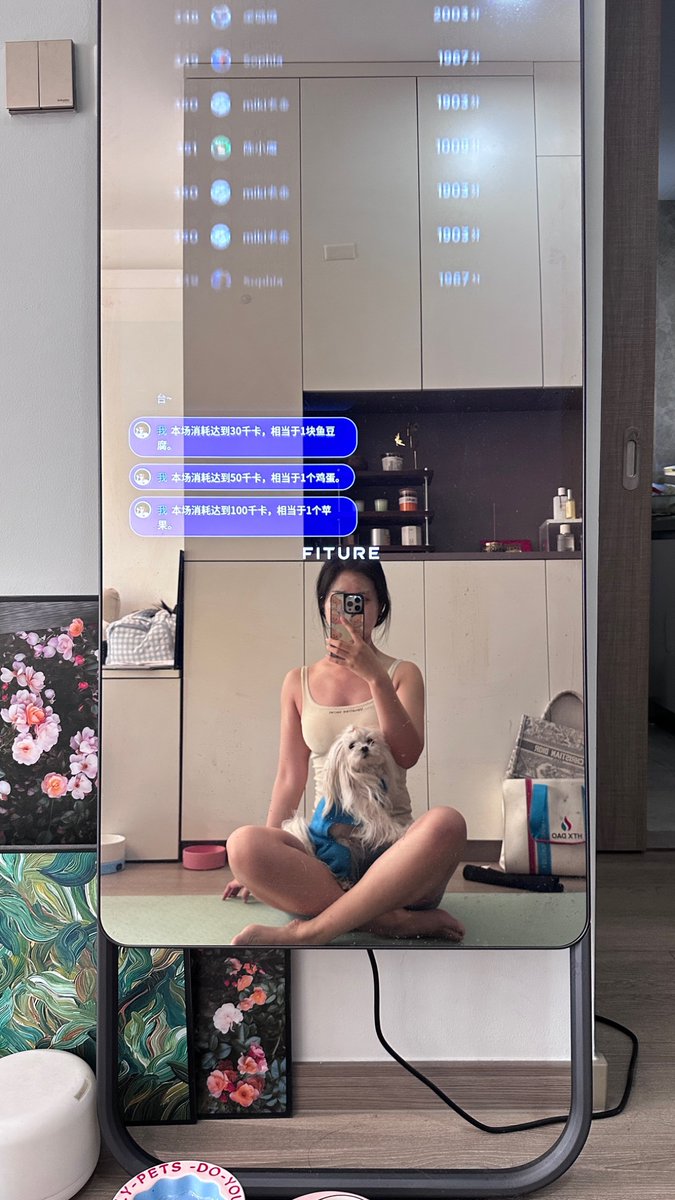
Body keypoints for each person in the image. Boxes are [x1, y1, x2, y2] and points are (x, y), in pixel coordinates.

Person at [223, 560, 467, 945]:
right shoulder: (297, 681)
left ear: (380, 607)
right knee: (242, 846)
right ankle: (389, 922)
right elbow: (290, 776)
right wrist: (258, 864)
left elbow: (407, 755)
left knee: (447, 824)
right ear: (324, 606)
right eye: (340, 600)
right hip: (324, 855)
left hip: (395, 855)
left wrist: (375, 677)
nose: (352, 610)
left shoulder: (402, 674)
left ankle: (313, 929)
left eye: (362, 600)